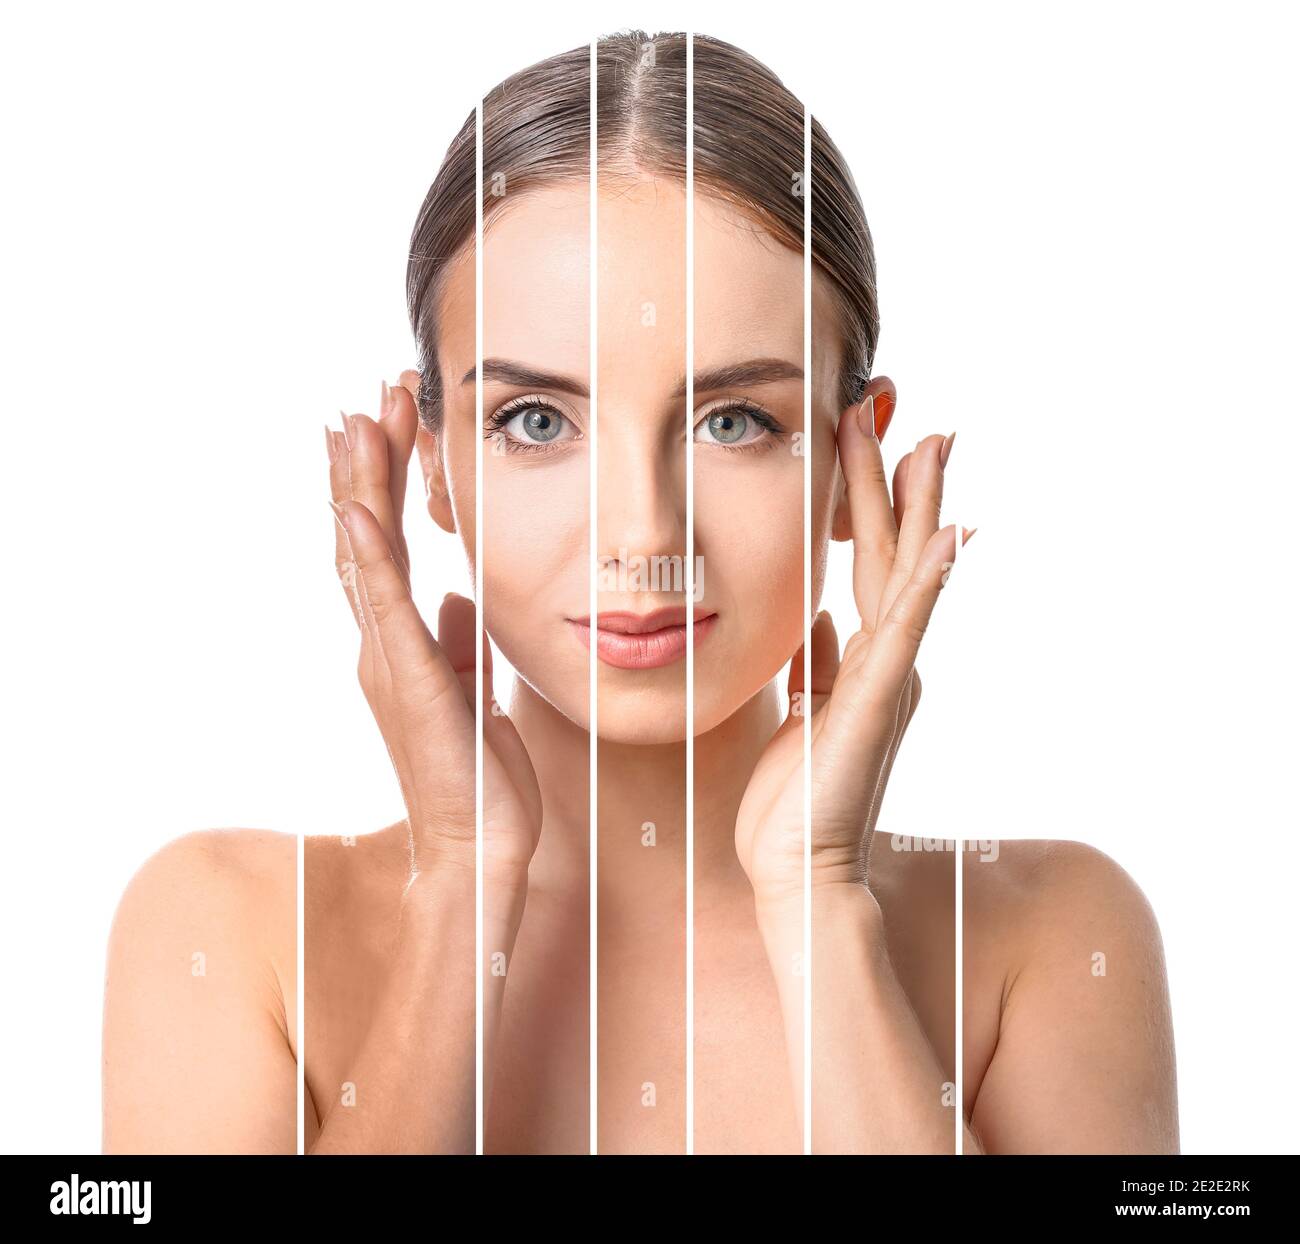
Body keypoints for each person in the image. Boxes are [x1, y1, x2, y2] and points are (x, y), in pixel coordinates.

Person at [102, 30, 1178, 1156]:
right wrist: (462, 886)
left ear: (853, 465)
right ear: (433, 462)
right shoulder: (235, 932)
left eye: (733, 420)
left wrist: (817, 901)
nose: (644, 534)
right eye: (535, 420)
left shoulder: (1045, 936)